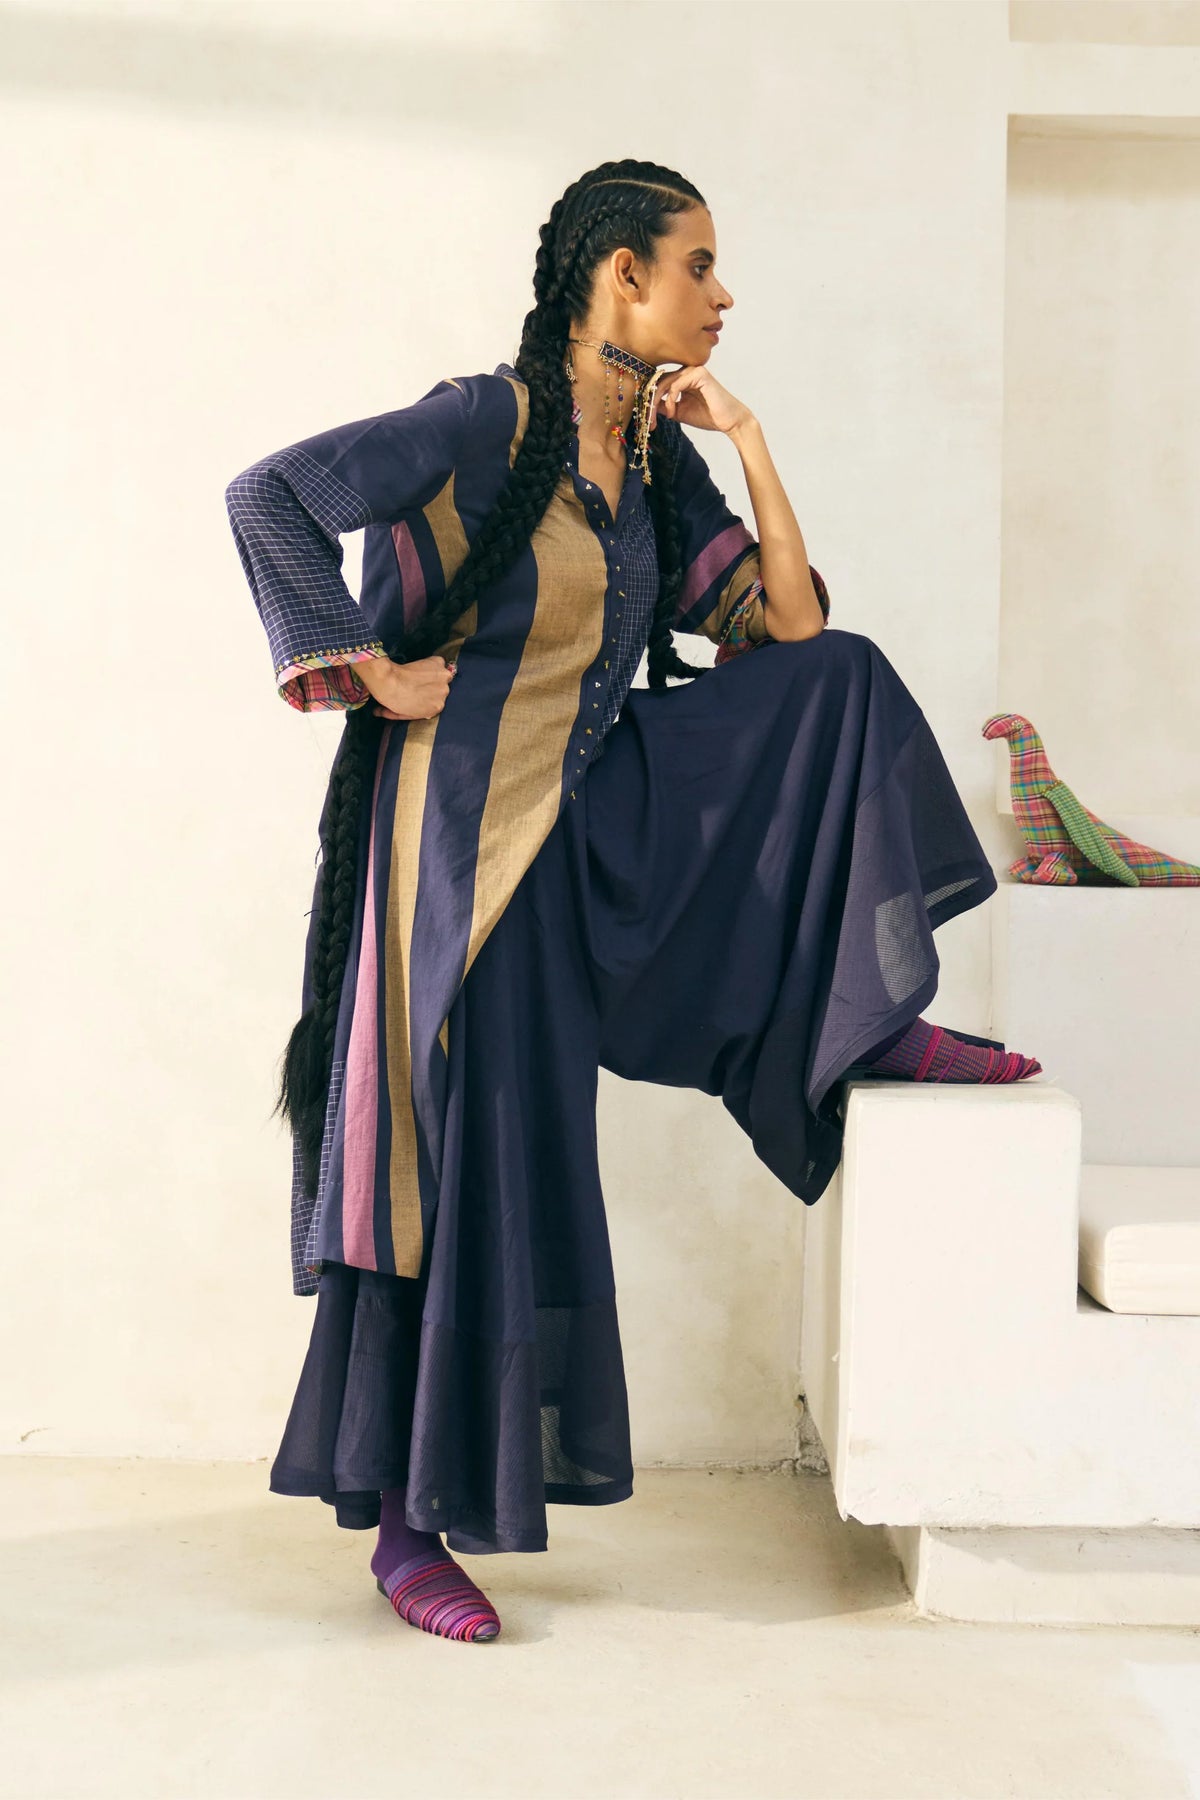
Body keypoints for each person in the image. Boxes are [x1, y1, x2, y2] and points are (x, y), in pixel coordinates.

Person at [224, 157, 1041, 1646]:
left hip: (592, 816)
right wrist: (363, 669)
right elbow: (269, 495)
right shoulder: (482, 419)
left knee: (838, 682)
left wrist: (750, 440)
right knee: (473, 1155)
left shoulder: (652, 462)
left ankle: (859, 1020)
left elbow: (790, 626)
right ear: (621, 275)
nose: (722, 296)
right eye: (699, 265)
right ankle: (408, 1529)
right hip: (463, 843)